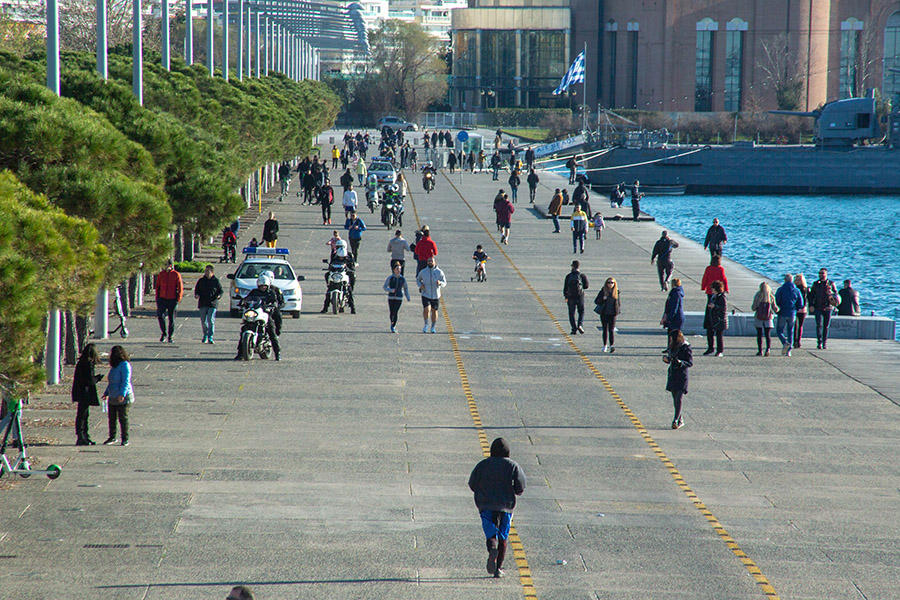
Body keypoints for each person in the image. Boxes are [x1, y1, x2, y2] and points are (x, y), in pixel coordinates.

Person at [468, 437, 526, 579]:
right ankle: (498, 568)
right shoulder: (513, 466)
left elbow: (472, 484)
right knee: (503, 536)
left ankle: (492, 548)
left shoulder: (482, 465)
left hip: (486, 504)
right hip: (506, 505)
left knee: (490, 533)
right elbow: (520, 486)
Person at [236, 275, 283, 360]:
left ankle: (278, 353)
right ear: (258, 285)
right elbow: (247, 299)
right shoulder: (254, 292)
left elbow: (274, 302)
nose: (263, 287)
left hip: (264, 314)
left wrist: (272, 306)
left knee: (272, 332)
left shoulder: (271, 293)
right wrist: (242, 302)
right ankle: (240, 353)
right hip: (254, 313)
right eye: (262, 286)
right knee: (243, 330)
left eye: (265, 286)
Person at [101, 345, 133, 446]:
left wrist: (122, 394)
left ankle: (125, 438)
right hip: (113, 395)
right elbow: (111, 382)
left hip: (123, 395)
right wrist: (106, 392)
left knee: (123, 417)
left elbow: (125, 381)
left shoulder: (124, 365)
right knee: (112, 418)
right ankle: (112, 437)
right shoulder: (114, 366)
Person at [72, 343, 103, 446]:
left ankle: (84, 435)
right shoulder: (88, 364)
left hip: (79, 391)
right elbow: (89, 380)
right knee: (83, 415)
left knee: (83, 414)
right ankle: (82, 435)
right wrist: (98, 378)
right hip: (85, 393)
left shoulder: (81, 362)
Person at [663, 329, 692, 429]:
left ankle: (675, 420)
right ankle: (680, 418)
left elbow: (690, 362)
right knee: (675, 398)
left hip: (681, 375)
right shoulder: (672, 346)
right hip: (673, 374)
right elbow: (670, 358)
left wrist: (681, 362)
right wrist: (667, 359)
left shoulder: (685, 347)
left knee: (679, 397)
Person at [775, 273, 804, 356]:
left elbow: (777, 301)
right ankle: (789, 350)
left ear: (785, 280)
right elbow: (800, 303)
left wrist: (778, 309)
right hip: (792, 313)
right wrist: (796, 309)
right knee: (790, 331)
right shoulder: (797, 290)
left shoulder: (781, 289)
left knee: (779, 330)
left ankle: (784, 342)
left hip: (783, 312)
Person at [155, 259, 183, 343]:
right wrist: (157, 298)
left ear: (170, 265)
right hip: (162, 298)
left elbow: (180, 287)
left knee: (172, 319)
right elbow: (158, 286)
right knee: (160, 316)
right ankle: (164, 333)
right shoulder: (161, 274)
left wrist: (178, 299)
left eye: (166, 264)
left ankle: (170, 336)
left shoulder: (176, 274)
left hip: (172, 299)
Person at [416, 256, 446, 333]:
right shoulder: (423, 271)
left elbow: (444, 282)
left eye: (431, 261)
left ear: (435, 262)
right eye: (429, 261)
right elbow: (418, 279)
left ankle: (433, 326)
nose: (430, 262)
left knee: (434, 311)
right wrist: (420, 285)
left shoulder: (439, 272)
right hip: (426, 294)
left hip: (436, 295)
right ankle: (426, 324)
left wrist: (440, 283)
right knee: (427, 309)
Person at [810, 268, 838, 349]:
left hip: (828, 307)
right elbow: (811, 295)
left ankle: (824, 342)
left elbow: (836, 296)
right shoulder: (816, 284)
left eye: (823, 273)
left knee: (826, 326)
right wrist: (811, 305)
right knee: (819, 325)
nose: (821, 275)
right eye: (820, 273)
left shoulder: (831, 283)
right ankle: (819, 342)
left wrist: (831, 293)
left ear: (826, 274)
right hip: (818, 307)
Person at [194, 264, 223, 344]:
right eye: (205, 271)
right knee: (203, 321)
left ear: (212, 272)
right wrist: (197, 294)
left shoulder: (215, 281)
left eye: (208, 271)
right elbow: (197, 289)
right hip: (203, 303)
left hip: (212, 303)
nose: (206, 273)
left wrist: (219, 296)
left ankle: (210, 337)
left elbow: (220, 291)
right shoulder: (201, 281)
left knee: (210, 320)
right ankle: (205, 335)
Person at [594, 277, 621, 353]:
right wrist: (603, 298)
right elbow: (596, 301)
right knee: (605, 329)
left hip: (613, 314)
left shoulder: (616, 292)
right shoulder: (603, 291)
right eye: (608, 282)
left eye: (612, 282)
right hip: (604, 313)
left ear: (614, 284)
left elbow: (618, 303)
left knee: (611, 330)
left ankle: (611, 345)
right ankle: (604, 345)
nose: (610, 284)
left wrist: (617, 311)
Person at [563, 260, 589, 335]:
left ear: (572, 266)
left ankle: (574, 329)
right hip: (579, 296)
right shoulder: (582, 275)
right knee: (581, 311)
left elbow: (565, 287)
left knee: (571, 313)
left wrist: (566, 296)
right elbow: (586, 286)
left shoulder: (568, 276)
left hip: (571, 297)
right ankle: (580, 325)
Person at [751, 281, 777, 356]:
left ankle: (760, 350)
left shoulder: (758, 295)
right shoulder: (771, 296)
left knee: (759, 334)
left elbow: (753, 307)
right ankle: (768, 349)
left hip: (759, 317)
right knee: (767, 334)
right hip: (768, 318)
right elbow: (775, 308)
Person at [383, 261, 410, 333]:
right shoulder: (390, 278)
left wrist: (407, 296)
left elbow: (406, 288)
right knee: (391, 312)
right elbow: (385, 287)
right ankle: (392, 322)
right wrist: (391, 290)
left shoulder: (402, 279)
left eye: (400, 269)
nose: (399, 271)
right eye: (397, 269)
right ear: (394, 270)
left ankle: (393, 325)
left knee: (395, 311)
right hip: (391, 297)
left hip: (399, 298)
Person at [703, 280, 727, 356]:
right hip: (711, 317)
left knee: (719, 335)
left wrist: (715, 306)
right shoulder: (713, 296)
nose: (712, 290)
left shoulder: (722, 297)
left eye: (713, 289)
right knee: (709, 333)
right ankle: (710, 348)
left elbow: (723, 308)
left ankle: (720, 350)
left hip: (719, 319)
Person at [793, 273, 809, 348]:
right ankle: (794, 340)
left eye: (799, 280)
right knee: (795, 326)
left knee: (800, 326)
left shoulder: (805, 289)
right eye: (796, 279)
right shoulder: (794, 288)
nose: (797, 281)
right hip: (795, 309)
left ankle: (798, 341)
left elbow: (806, 299)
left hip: (802, 310)